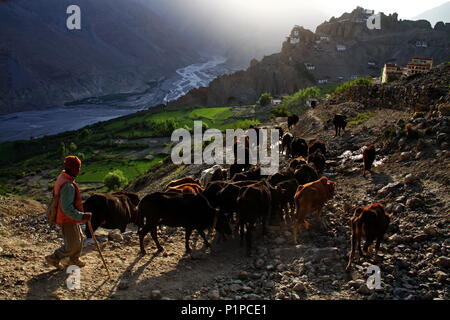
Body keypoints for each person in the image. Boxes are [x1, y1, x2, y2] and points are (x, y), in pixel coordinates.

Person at [45, 156, 92, 269]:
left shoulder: (64, 177)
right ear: (72, 168)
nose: (79, 170)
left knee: (79, 238)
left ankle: (73, 259)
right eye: (78, 167)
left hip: (69, 217)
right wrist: (82, 216)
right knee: (72, 245)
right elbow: (66, 208)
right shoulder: (68, 186)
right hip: (67, 218)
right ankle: (54, 257)